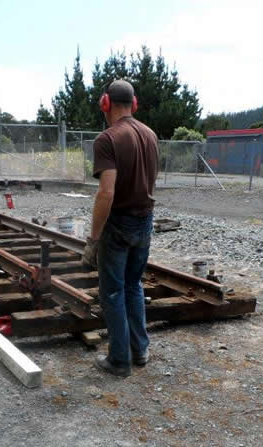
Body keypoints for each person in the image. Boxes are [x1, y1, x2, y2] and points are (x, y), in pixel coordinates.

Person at [82, 80, 158, 377]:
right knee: (133, 285)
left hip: (119, 223)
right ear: (133, 104)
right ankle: (140, 350)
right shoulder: (150, 135)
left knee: (112, 292)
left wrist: (93, 239)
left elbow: (106, 193)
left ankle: (119, 360)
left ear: (106, 103)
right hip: (145, 220)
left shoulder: (107, 138)